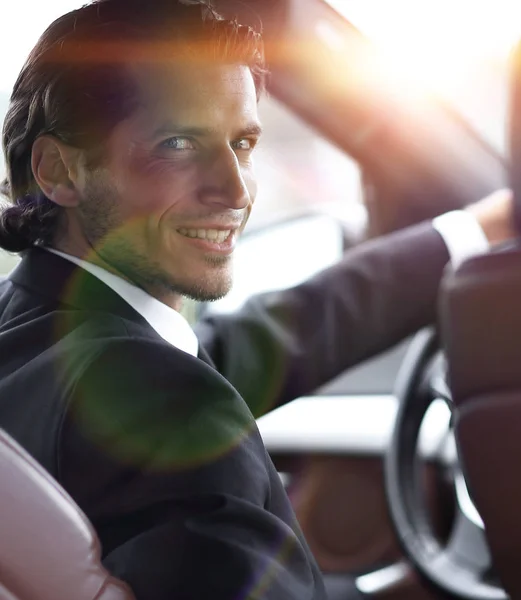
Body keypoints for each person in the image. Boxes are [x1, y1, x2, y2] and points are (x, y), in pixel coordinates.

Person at [0, 1, 515, 598]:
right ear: (59, 170)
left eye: (242, 143)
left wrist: (470, 233)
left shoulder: (37, 335)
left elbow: (238, 349)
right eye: (177, 143)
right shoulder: (164, 399)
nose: (236, 189)